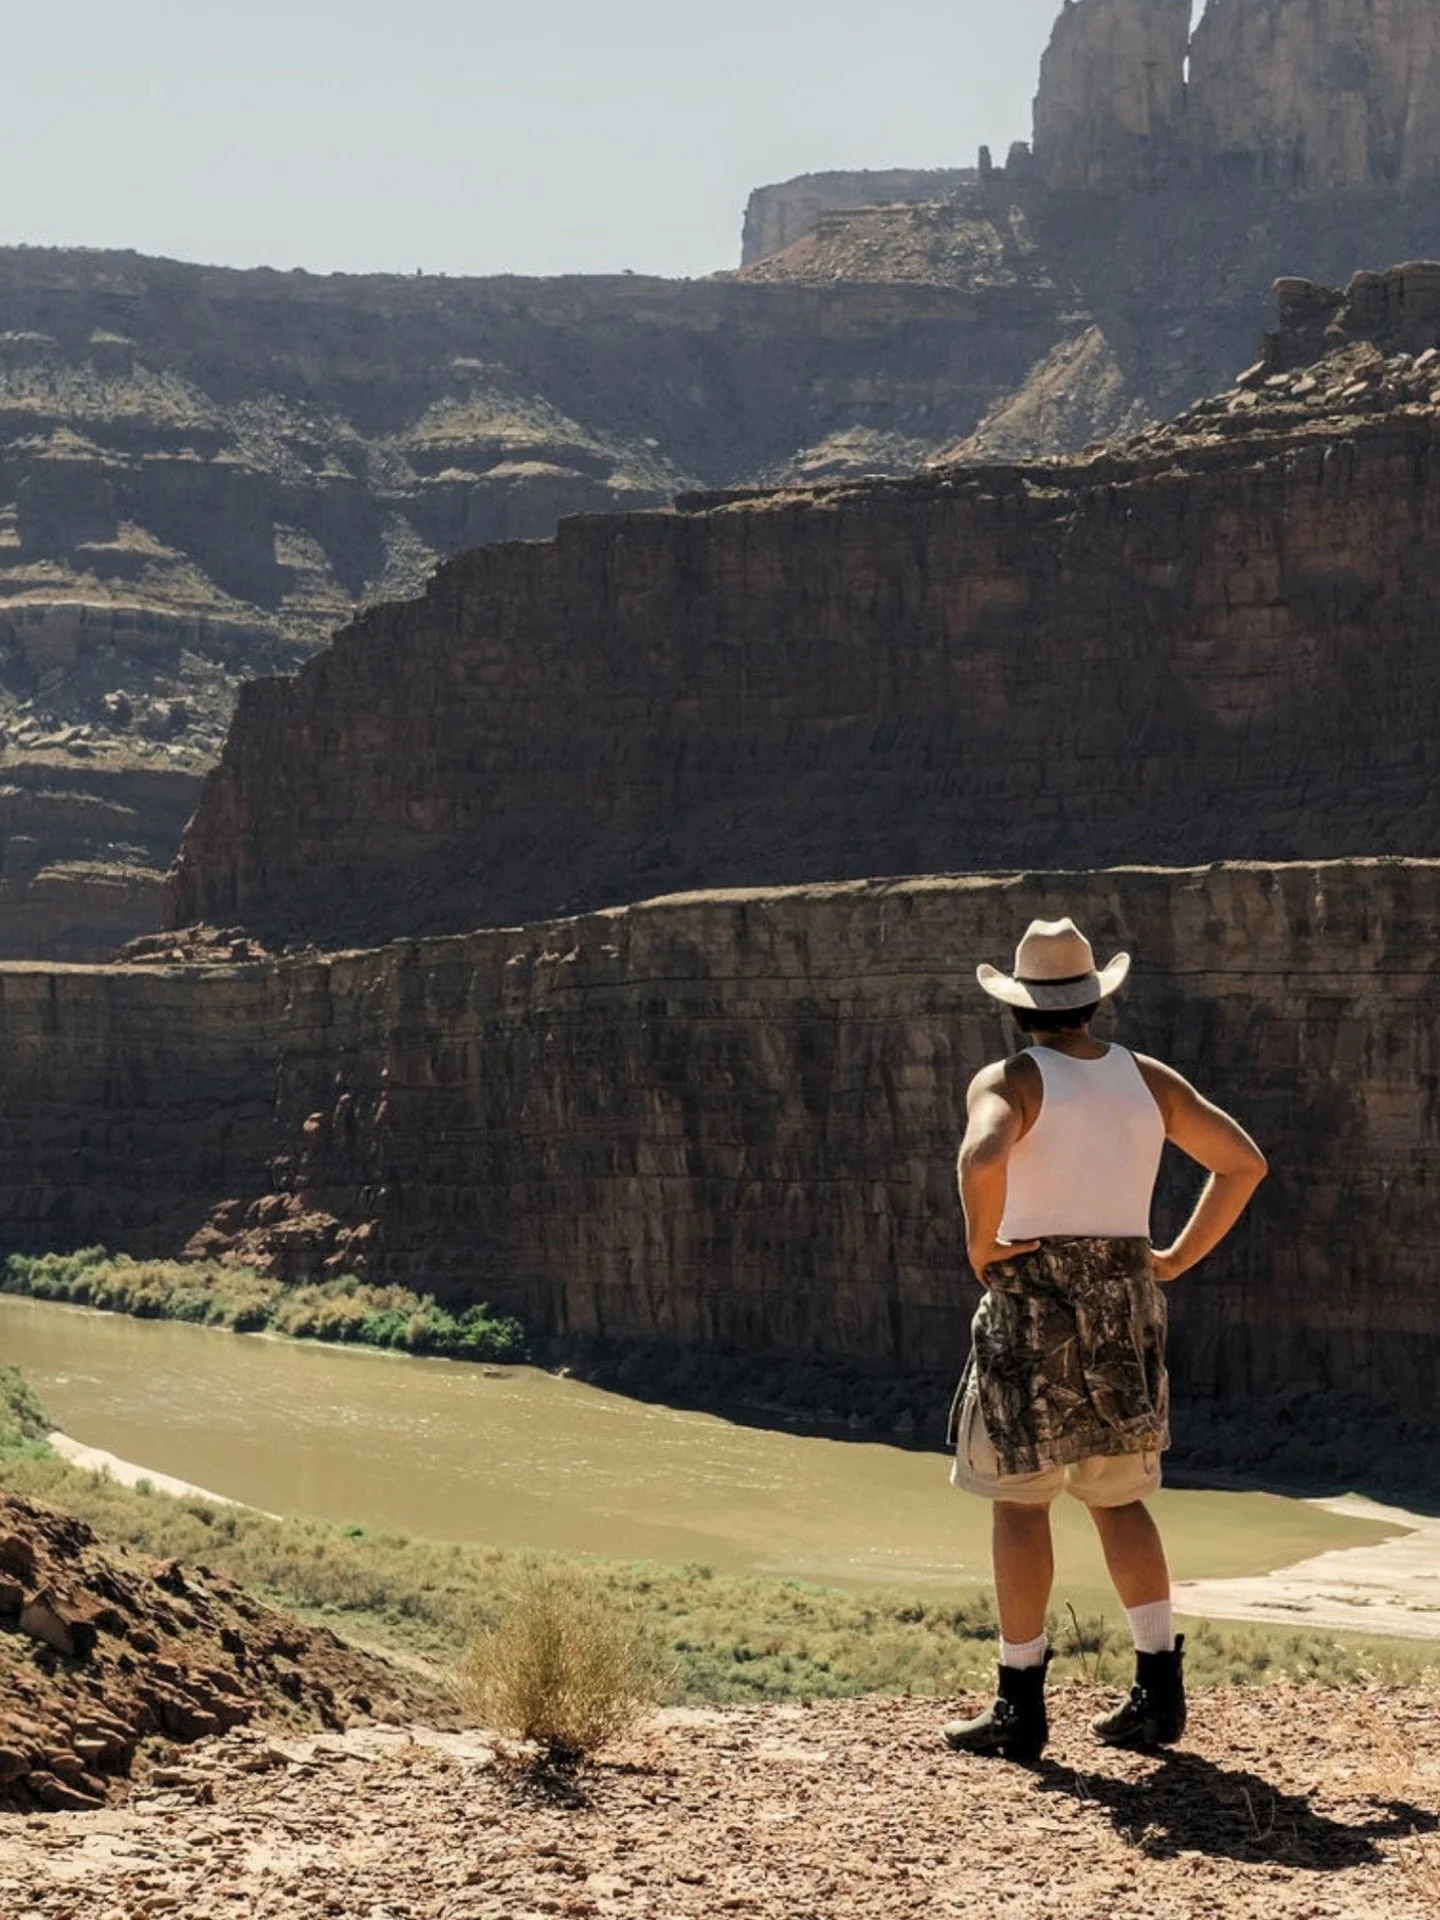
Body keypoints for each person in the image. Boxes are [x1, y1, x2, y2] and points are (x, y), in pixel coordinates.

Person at [941, 916, 1267, 1763]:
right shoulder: (1147, 1080)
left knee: (1021, 1502)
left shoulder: (1008, 1081)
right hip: (1126, 1307)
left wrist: (981, 1245)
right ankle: (1157, 1694)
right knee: (1120, 1497)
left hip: (1032, 1309)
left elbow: (981, 1161)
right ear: (1092, 1001)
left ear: (1019, 1008)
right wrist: (1171, 1259)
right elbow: (1242, 1161)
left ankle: (1020, 1707)